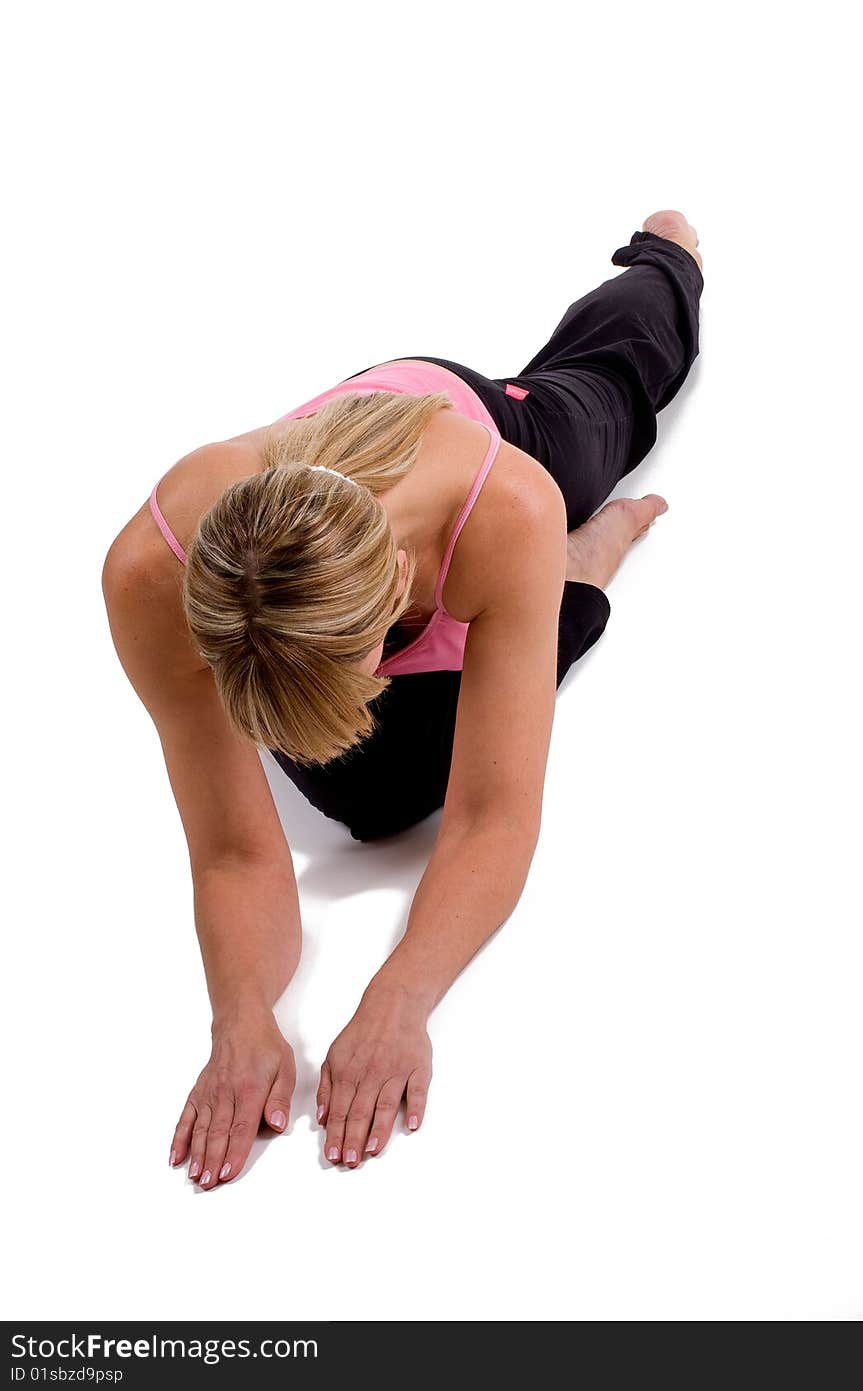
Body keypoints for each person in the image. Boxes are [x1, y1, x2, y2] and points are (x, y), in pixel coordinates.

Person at [102, 210, 703, 1187]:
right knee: (367, 802)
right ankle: (550, 593)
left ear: (393, 607)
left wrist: (400, 997)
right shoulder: (149, 571)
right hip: (350, 532)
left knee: (616, 398)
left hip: (495, 425)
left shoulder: (503, 503)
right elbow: (234, 845)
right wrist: (242, 1014)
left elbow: (492, 814)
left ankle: (658, 283)